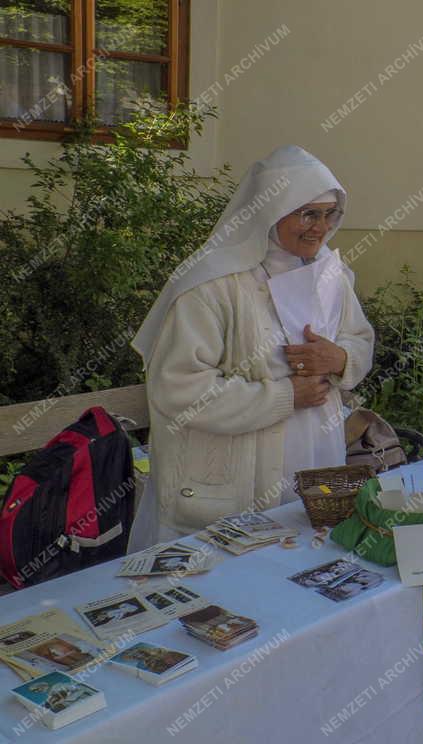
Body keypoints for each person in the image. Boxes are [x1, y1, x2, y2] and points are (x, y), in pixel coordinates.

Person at [131, 146, 374, 539]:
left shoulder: (332, 275)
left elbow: (360, 339)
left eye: (329, 214)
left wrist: (340, 358)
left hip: (315, 465)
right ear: (270, 211)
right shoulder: (211, 285)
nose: (320, 227)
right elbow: (178, 388)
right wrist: (284, 396)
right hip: (229, 485)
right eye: (308, 213)